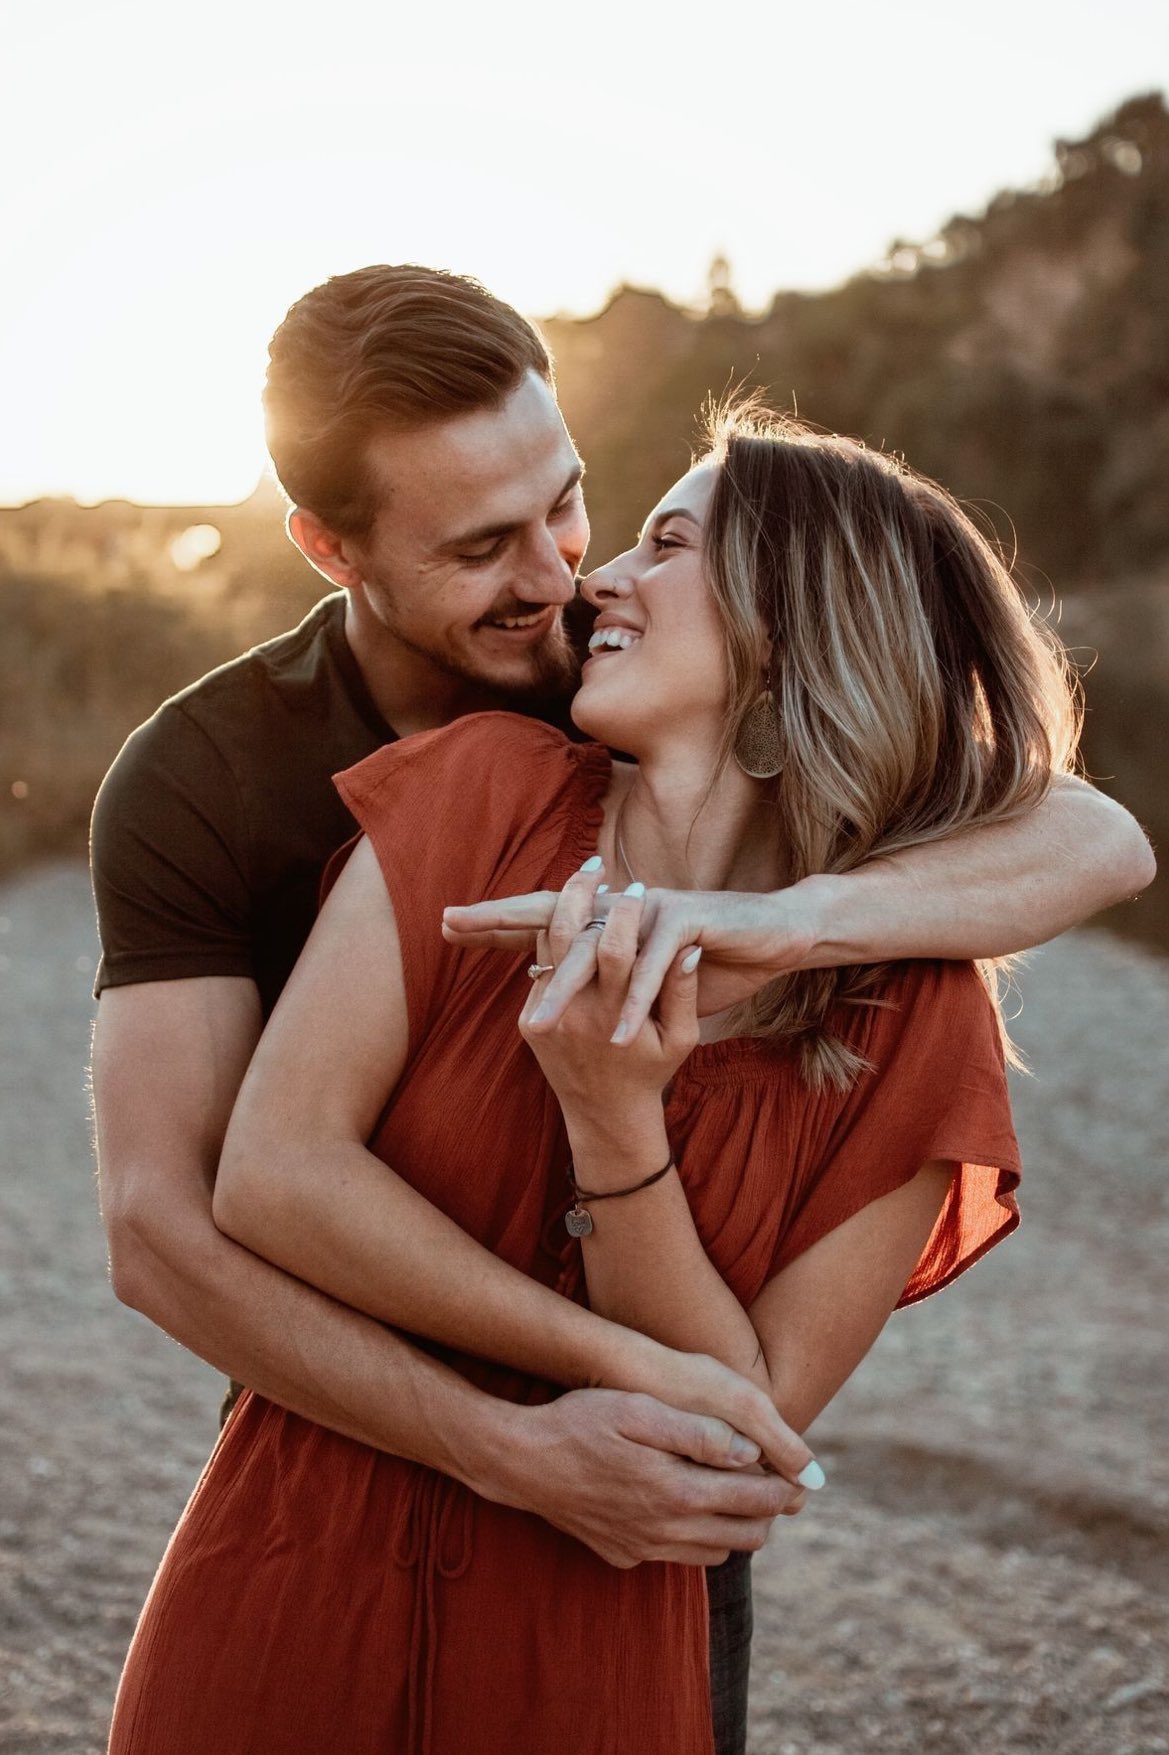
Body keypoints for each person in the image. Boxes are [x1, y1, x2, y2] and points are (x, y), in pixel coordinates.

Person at [90, 268, 1152, 1755]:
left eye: (583, 510)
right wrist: (552, 1424)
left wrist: (749, 944)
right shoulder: (295, 779)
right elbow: (184, 1218)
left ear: (792, 628)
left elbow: (1102, 839)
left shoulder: (895, 986)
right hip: (335, 1466)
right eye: (480, 547)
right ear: (331, 552)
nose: (569, 577)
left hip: (622, 1568)